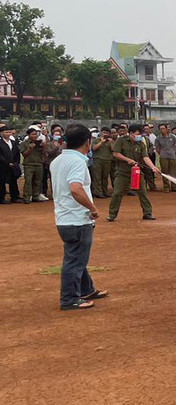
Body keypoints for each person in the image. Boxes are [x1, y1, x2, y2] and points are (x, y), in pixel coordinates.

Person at [51, 124, 105, 311]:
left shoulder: (57, 161)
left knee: (77, 257)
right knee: (74, 260)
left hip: (64, 218)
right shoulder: (77, 162)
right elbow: (75, 188)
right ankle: (69, 299)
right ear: (87, 142)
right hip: (76, 219)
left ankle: (86, 289)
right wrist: (92, 208)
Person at [108, 124, 160, 222]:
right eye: (137, 134)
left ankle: (147, 213)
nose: (139, 136)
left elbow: (145, 157)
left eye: (141, 134)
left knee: (143, 193)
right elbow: (115, 153)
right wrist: (127, 160)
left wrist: (153, 167)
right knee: (117, 193)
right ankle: (112, 214)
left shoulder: (141, 144)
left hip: (136, 172)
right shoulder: (121, 141)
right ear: (131, 133)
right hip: (122, 172)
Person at [20, 126, 48, 203]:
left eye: (36, 134)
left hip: (39, 164)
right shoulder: (24, 144)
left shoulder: (39, 143)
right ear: (28, 135)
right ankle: (27, 197)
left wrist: (44, 146)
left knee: (38, 181)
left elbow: (44, 153)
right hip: (28, 164)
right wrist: (30, 148)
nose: (34, 136)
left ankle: (35, 196)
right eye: (32, 134)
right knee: (28, 181)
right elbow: (24, 154)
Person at [0, 122, 22, 203]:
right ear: (1, 133)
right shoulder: (0, 143)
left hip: (13, 165)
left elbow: (17, 153)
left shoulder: (13, 142)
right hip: (2, 166)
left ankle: (14, 196)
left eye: (9, 132)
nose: (8, 134)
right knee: (2, 182)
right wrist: (7, 163)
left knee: (13, 181)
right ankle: (1, 198)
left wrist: (16, 163)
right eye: (6, 132)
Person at [155, 124, 176, 192]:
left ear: (166, 129)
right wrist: (162, 154)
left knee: (174, 172)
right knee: (164, 171)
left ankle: (174, 187)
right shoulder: (158, 138)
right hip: (163, 156)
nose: (162, 130)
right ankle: (166, 187)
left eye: (163, 128)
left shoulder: (172, 136)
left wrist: (174, 153)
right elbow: (157, 148)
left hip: (172, 155)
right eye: (160, 129)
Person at [90, 127, 114, 198]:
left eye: (107, 133)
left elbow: (113, 149)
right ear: (101, 133)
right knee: (97, 177)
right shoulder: (96, 140)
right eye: (104, 133)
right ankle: (98, 192)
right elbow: (93, 148)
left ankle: (105, 191)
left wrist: (111, 142)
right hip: (98, 160)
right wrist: (101, 142)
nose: (105, 134)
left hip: (107, 160)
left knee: (105, 177)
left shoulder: (110, 141)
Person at [141, 124, 158, 191]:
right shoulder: (138, 139)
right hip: (139, 159)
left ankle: (152, 187)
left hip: (147, 157)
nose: (146, 130)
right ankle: (143, 187)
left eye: (147, 129)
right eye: (144, 129)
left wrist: (150, 152)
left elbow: (151, 146)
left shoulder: (147, 139)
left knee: (149, 173)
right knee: (141, 174)